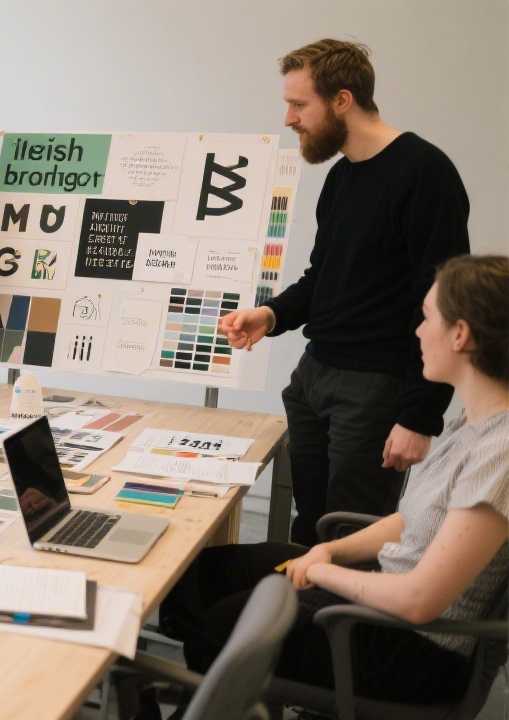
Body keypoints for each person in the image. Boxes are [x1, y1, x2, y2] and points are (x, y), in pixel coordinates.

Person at [156, 255, 509, 711]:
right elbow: (412, 520)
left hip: (412, 651)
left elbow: (420, 602)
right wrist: (330, 552)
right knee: (203, 575)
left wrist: (323, 572)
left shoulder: (498, 454)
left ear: (460, 334)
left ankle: (206, 698)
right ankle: (208, 693)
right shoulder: (474, 422)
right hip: (385, 603)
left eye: (426, 319)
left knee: (227, 619)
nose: (418, 332)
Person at [219, 39, 470, 545]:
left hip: (375, 390)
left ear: (341, 100)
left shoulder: (424, 173)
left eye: (299, 104)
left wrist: (419, 417)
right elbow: (323, 277)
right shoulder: (341, 176)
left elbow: (447, 303)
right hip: (313, 377)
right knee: (308, 531)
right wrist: (270, 315)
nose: (289, 119)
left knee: (348, 542)